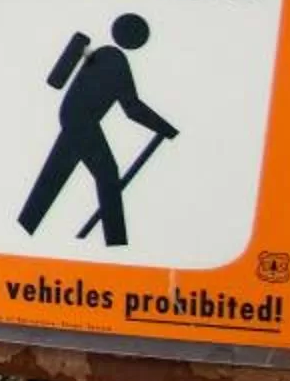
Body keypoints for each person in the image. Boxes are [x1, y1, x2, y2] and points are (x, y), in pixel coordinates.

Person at [16, 13, 177, 247]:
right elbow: (132, 108)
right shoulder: (114, 59)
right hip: (82, 121)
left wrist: (164, 128)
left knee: (55, 173)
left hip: (73, 118)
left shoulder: (100, 54)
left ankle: (25, 226)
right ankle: (116, 241)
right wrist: (167, 129)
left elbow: (130, 107)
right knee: (107, 173)